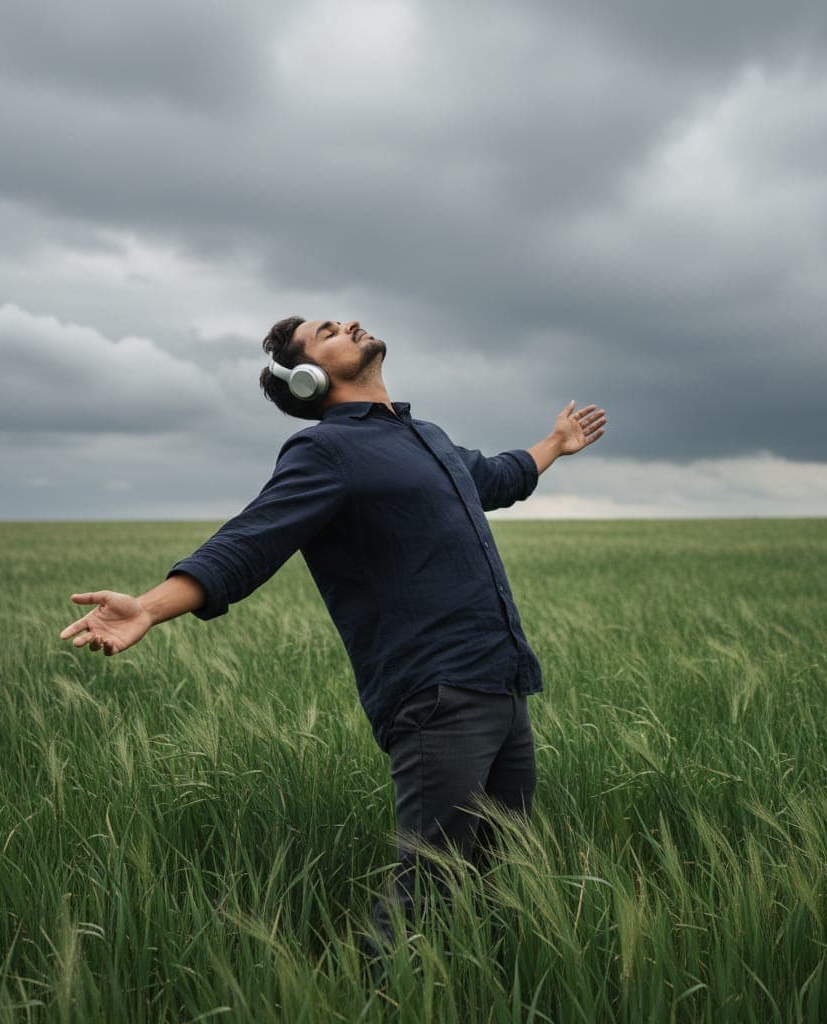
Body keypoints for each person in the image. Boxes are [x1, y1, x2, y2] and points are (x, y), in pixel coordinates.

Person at [59, 316, 606, 956]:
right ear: (308, 376)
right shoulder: (325, 451)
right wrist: (149, 607)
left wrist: (554, 442)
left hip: (501, 681)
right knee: (425, 892)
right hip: (438, 694)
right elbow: (251, 541)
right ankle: (371, 995)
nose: (349, 323)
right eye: (327, 331)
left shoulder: (424, 439)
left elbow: (495, 478)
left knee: (489, 879)